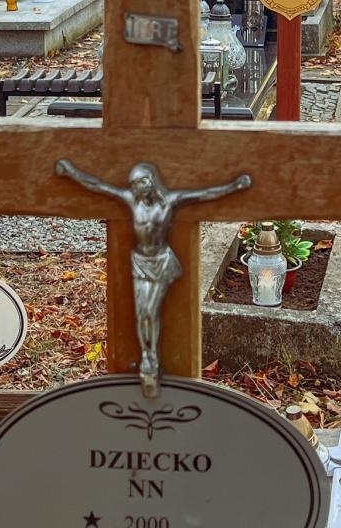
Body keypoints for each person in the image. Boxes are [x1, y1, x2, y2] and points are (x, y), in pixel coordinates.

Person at [54, 159, 250, 394]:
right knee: (141, 312)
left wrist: (235, 186)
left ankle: (151, 359)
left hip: (161, 262)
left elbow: (204, 194)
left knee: (150, 311)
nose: (139, 187)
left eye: (143, 181)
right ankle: (148, 355)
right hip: (140, 261)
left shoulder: (168, 201)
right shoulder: (131, 201)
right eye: (135, 183)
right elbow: (98, 185)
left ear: (152, 181)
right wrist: (71, 172)